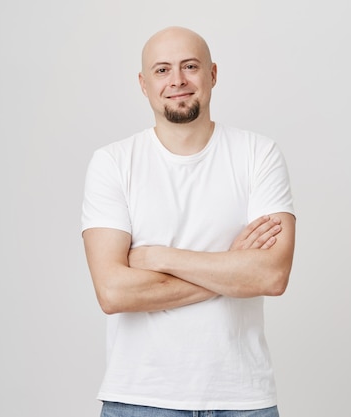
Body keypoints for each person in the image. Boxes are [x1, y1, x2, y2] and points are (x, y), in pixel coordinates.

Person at [81, 26, 296, 417]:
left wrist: (159, 257)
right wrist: (231, 269)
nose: (177, 80)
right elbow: (113, 293)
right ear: (143, 84)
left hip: (243, 399)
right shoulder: (112, 163)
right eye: (162, 70)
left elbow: (271, 277)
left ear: (212, 74)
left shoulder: (258, 155)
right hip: (141, 398)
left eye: (190, 66)